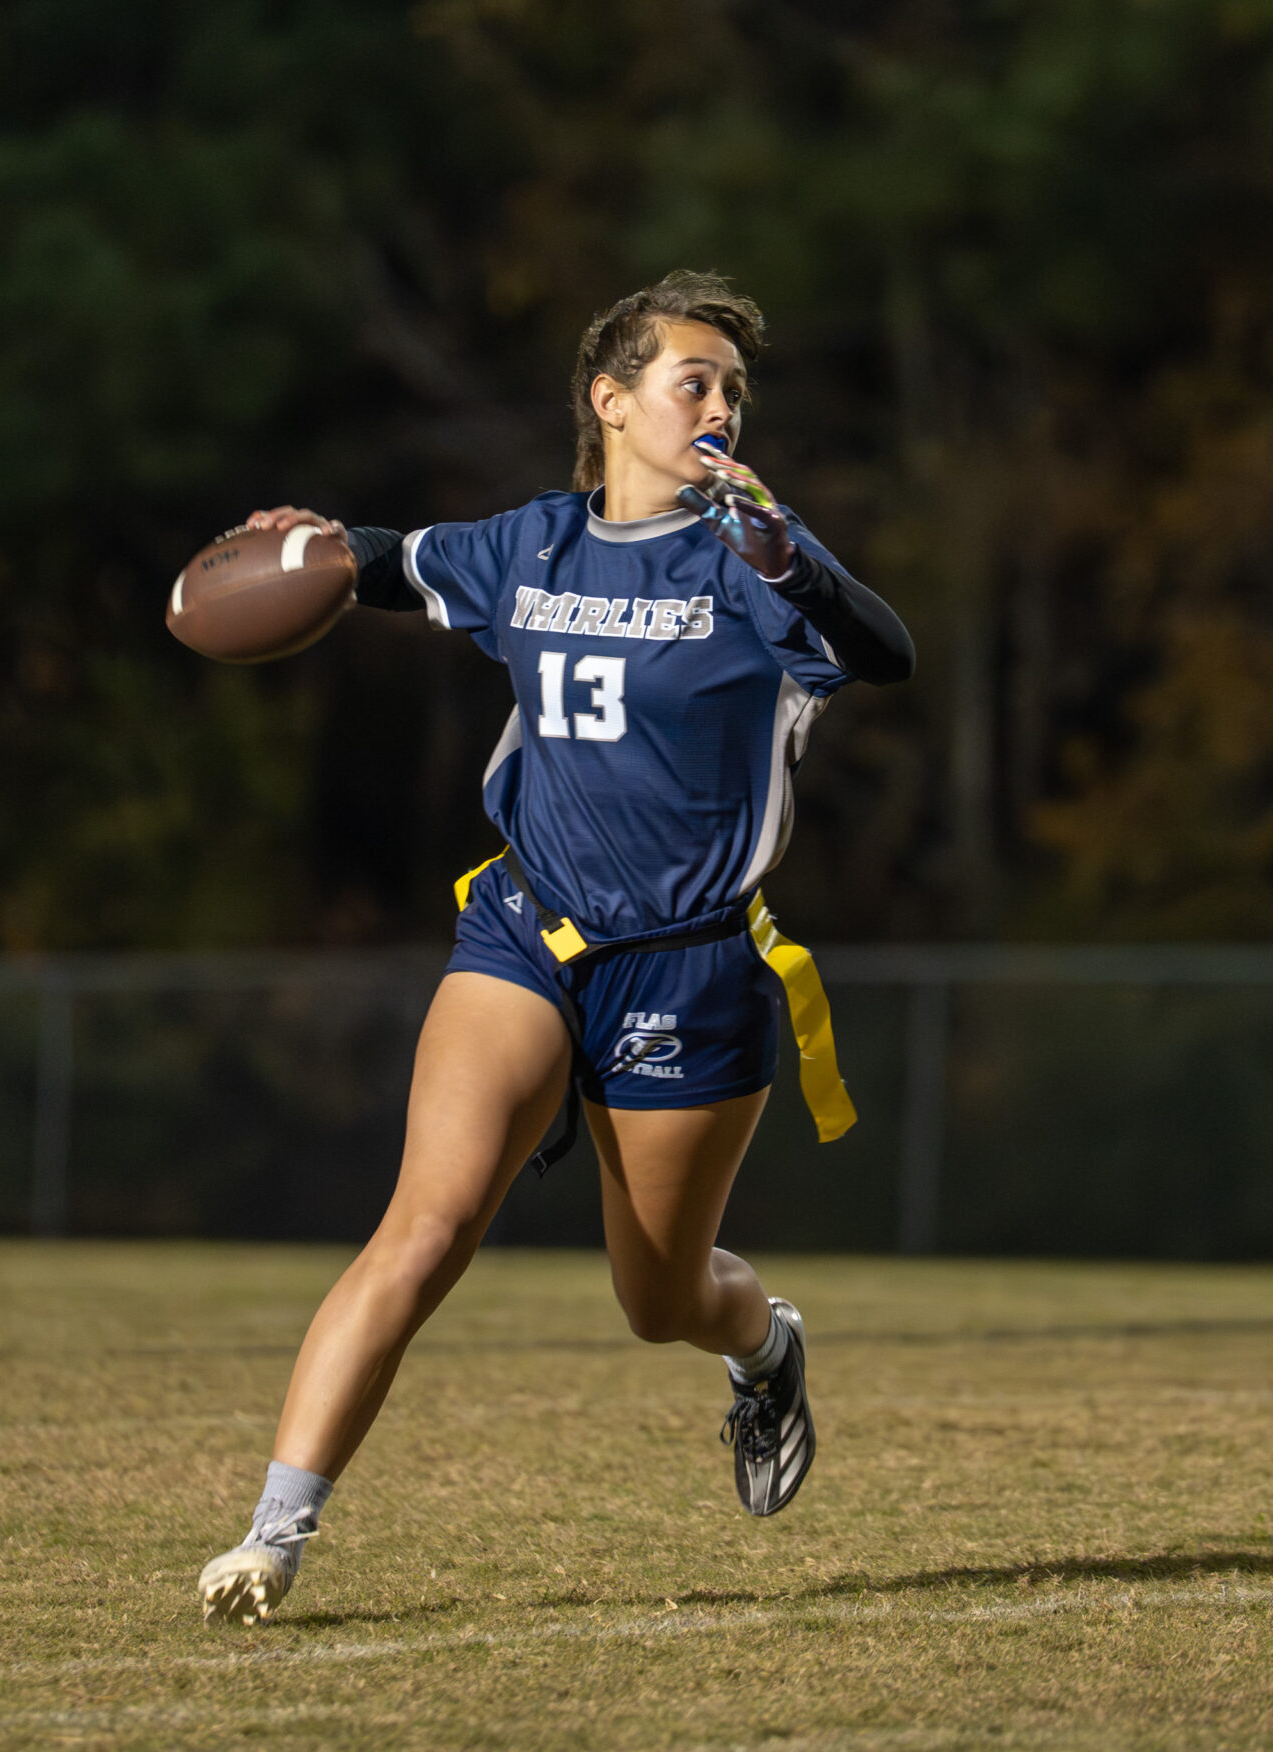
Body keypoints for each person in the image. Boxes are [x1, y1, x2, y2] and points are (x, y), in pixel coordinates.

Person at [197, 270, 915, 1626]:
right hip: (530, 930)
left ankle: (764, 1350)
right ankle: (271, 1539)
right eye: (692, 379)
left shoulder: (751, 560)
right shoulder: (530, 546)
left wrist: (792, 555)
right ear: (611, 400)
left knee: (660, 1300)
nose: (718, 404)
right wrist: (304, 542)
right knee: (425, 1226)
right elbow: (389, 562)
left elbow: (885, 654)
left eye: (734, 388)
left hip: (693, 968)